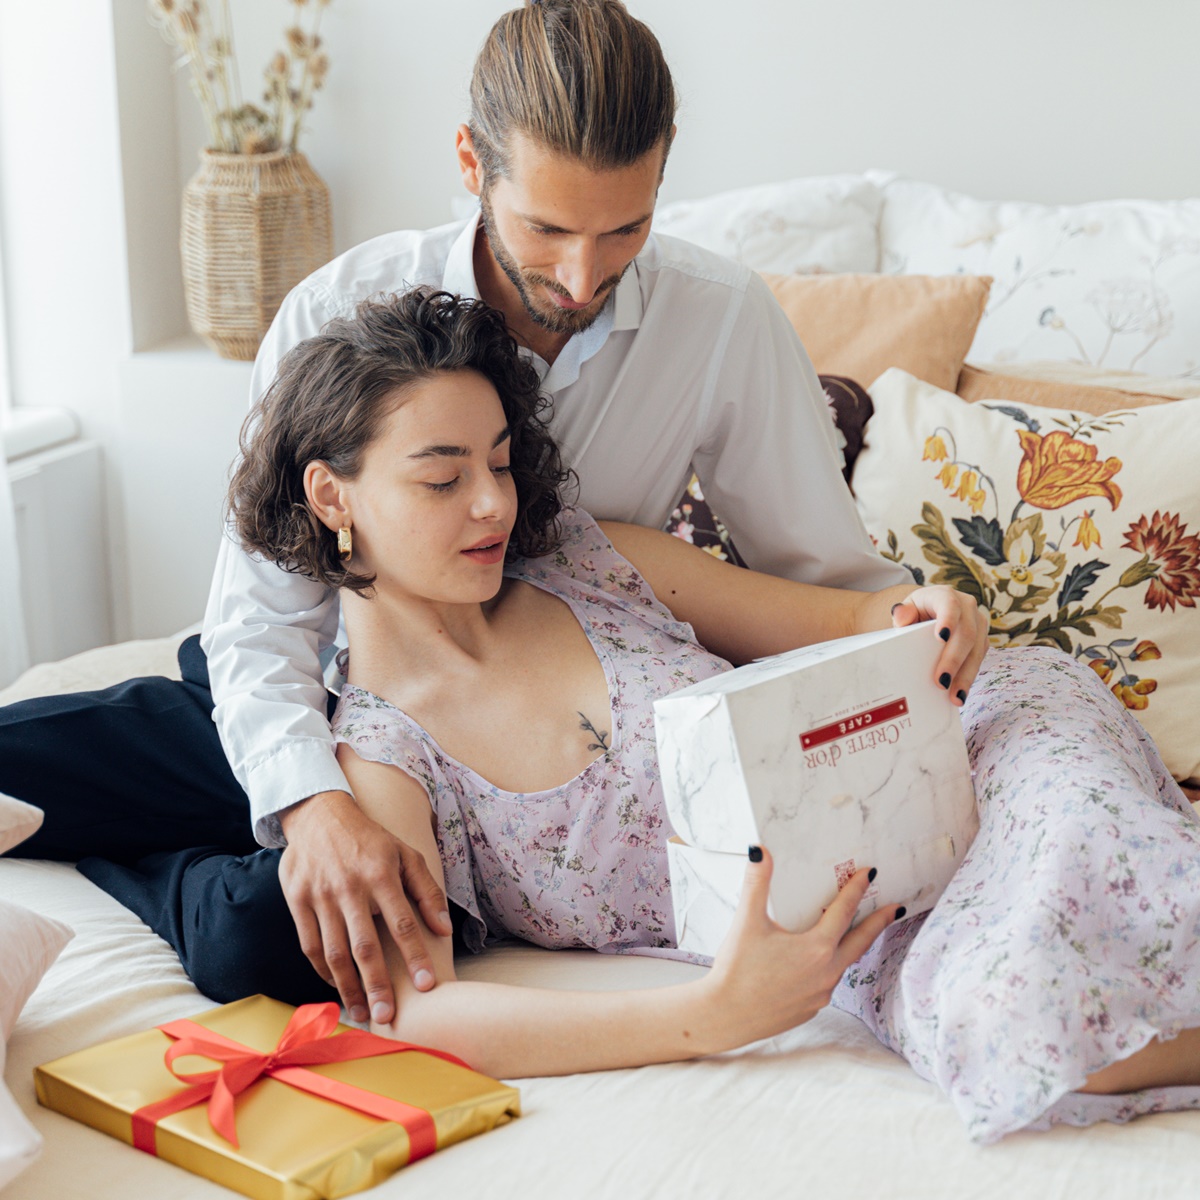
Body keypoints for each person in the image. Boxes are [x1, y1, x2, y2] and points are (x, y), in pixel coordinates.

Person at [0, 0, 906, 1021]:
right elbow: (259, 618)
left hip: (510, 704)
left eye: (626, 229)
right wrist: (314, 804)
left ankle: (139, 854)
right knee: (37, 753)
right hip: (327, 670)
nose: (582, 276)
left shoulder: (721, 320)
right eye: (547, 228)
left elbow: (828, 583)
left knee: (259, 936)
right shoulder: (332, 309)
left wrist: (910, 659)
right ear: (472, 163)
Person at [231, 287, 1200, 1143]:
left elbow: (853, 622)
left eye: (499, 463)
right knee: (1023, 1031)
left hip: (981, 739)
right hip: (870, 911)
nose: (491, 505)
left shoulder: (593, 563)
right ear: (331, 496)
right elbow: (414, 1012)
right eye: (442, 480)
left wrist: (928, 615)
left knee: (1092, 850)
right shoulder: (384, 757)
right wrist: (714, 1011)